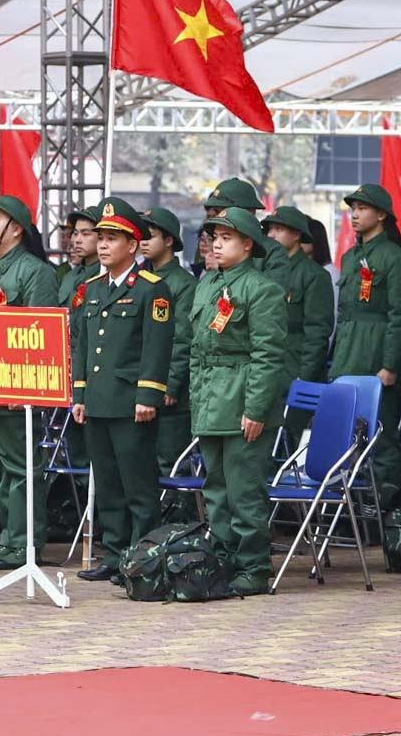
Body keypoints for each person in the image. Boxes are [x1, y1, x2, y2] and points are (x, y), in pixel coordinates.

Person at [70, 198, 174, 581]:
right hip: (98, 401)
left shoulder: (152, 289)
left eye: (112, 238)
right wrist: (79, 394)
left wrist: (148, 396)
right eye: (100, 237)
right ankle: (114, 555)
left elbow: (156, 348)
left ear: (132, 245)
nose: (102, 245)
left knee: (138, 487)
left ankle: (143, 559)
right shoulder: (91, 288)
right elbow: (81, 344)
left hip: (131, 403)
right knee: (109, 485)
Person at [188, 206, 288, 596]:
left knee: (244, 489)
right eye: (214, 236)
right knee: (215, 487)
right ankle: (224, 559)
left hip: (242, 398)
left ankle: (253, 567)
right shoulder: (208, 285)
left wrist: (256, 409)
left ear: (247, 245)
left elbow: (268, 356)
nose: (216, 242)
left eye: (226, 237)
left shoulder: (263, 290)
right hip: (210, 398)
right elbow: (198, 349)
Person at [0, 194, 59, 566]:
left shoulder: (35, 272)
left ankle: (24, 543)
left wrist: (29, 388)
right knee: (1, 470)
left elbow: (44, 334)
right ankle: (9, 539)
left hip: (16, 384)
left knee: (22, 467)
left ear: (15, 229)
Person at [333, 182, 401, 505]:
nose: (354, 215)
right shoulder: (351, 256)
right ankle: (349, 511)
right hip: (347, 357)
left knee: (381, 441)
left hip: (376, 359)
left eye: (362, 209)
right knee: (344, 438)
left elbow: (400, 316)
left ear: (381, 215)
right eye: (352, 209)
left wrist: (390, 364)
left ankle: (385, 510)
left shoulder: (395, 259)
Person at [261, 205, 332, 439]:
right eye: (269, 229)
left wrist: (304, 377)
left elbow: (317, 332)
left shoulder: (314, 276)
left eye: (279, 229)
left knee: (291, 438)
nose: (271, 235)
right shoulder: (264, 272)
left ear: (296, 235)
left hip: (294, 371)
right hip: (266, 369)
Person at [142, 208, 197, 478]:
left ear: (169, 241)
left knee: (171, 463)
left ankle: (180, 519)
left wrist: (171, 383)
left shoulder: (183, 284)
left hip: (170, 392)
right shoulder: (139, 280)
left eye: (149, 236)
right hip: (141, 385)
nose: (142, 241)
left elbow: (182, 337)